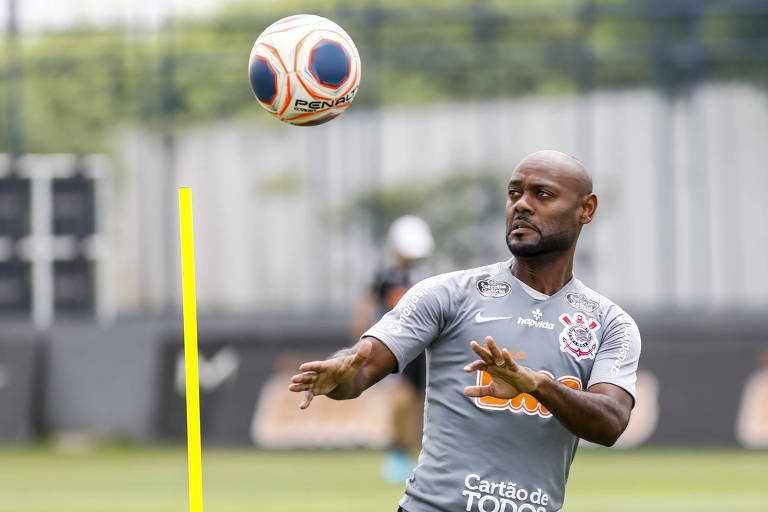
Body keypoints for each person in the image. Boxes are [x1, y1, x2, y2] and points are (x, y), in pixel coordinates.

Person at [289, 150, 641, 512]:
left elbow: (610, 423)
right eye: (514, 193)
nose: (522, 205)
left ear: (586, 209)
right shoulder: (446, 293)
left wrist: (538, 386)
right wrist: (336, 375)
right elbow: (359, 368)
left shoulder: (611, 324)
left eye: (543, 194)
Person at [351, 215, 434, 483]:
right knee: (400, 399)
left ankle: (411, 454)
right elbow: (365, 308)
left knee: (419, 404)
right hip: (395, 347)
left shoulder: (426, 276)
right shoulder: (385, 277)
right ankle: (395, 454)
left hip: (423, 351)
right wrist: (360, 345)